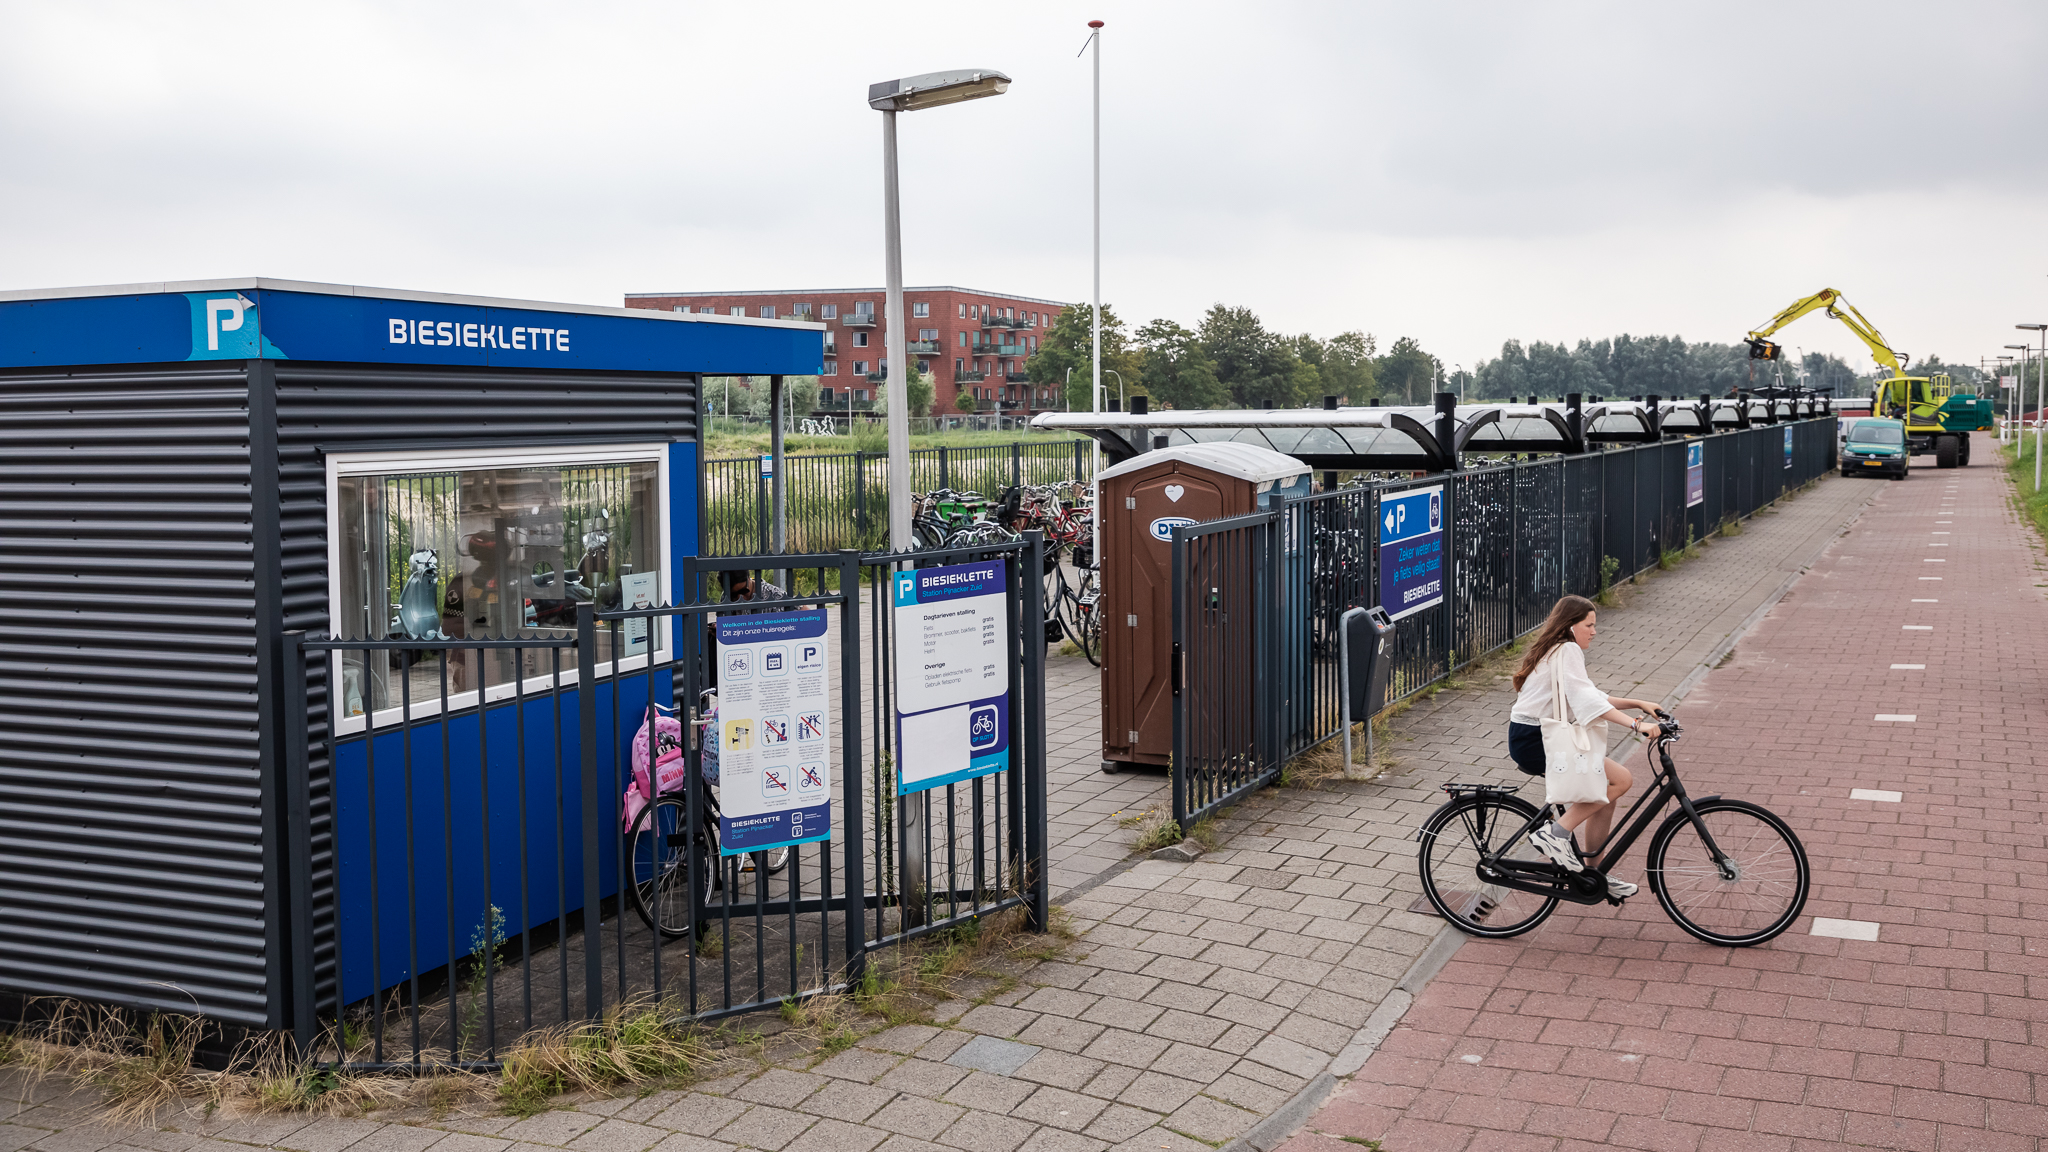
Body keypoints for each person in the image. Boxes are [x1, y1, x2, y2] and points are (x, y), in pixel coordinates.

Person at [1507, 594, 1662, 898]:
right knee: (1621, 779)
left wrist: (1637, 702)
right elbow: (1587, 699)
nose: (1594, 631)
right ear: (1571, 625)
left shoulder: (1560, 649)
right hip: (1535, 739)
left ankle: (1595, 874)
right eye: (1589, 625)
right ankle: (1556, 834)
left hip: (1529, 735)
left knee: (1607, 791)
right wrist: (1636, 724)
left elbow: (1589, 693)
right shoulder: (1567, 649)